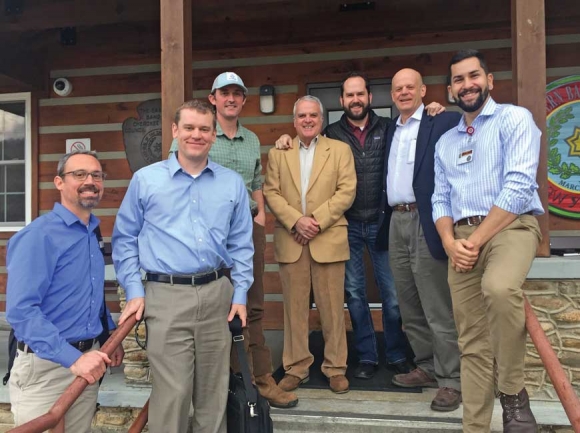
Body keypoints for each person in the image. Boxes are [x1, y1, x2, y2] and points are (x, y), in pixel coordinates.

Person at [274, 73, 444, 379]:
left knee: (392, 296)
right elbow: (303, 140)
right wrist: (285, 138)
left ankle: (396, 354)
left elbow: (415, 128)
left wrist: (432, 109)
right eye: (349, 95)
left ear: (369, 98)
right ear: (341, 101)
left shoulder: (391, 128)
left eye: (360, 94)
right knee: (354, 294)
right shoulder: (332, 133)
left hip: (383, 221)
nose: (355, 100)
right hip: (347, 225)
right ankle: (366, 357)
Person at [113, 99, 254, 433]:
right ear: (175, 131)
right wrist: (134, 290)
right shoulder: (145, 180)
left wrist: (241, 294)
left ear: (214, 134)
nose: (197, 135)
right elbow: (124, 239)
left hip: (218, 294)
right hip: (166, 294)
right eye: (189, 127)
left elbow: (241, 245)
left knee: (213, 392)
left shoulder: (231, 183)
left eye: (204, 129)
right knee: (172, 393)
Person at [169, 72, 298, 408]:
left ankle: (261, 379)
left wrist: (260, 215)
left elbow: (256, 179)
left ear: (243, 101)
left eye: (236, 94)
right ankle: (223, 383)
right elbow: (176, 177)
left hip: (246, 231)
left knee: (252, 305)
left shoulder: (252, 139)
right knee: (212, 306)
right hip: (206, 232)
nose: (230, 99)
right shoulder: (199, 136)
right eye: (224, 93)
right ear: (213, 98)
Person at [432, 49, 543, 432]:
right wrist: (449, 241)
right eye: (459, 80)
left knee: (498, 288)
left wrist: (474, 241)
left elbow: (517, 187)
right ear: (451, 89)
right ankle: (474, 427)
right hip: (460, 240)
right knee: (472, 344)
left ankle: (513, 395)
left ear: (489, 80)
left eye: (473, 76)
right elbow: (439, 198)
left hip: (509, 228)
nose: (467, 85)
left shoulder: (515, 119)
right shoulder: (445, 141)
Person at [6, 150, 124, 431]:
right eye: (79, 174)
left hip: (87, 363)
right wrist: (74, 360)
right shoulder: (38, 236)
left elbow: (90, 292)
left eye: (96, 175)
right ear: (59, 182)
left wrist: (109, 334)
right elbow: (21, 312)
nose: (90, 181)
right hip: (46, 368)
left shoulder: (91, 232)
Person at [376, 68, 462, 411]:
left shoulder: (440, 121)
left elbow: (467, 123)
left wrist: (443, 108)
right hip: (396, 220)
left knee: (437, 304)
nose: (404, 92)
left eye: (411, 87)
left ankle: (451, 380)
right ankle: (426, 365)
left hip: (427, 221)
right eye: (398, 88)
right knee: (407, 303)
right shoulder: (389, 129)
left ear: (423, 90)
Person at [264, 95, 356, 394]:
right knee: (295, 309)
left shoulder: (339, 150)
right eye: (302, 116)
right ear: (294, 121)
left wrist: (314, 220)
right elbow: (271, 192)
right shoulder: (279, 153)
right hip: (292, 239)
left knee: (332, 307)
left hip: (327, 236)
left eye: (313, 115)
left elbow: (347, 191)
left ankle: (335, 367)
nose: (307, 120)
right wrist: (296, 221)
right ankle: (296, 367)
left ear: (321, 119)